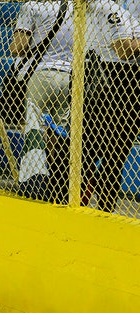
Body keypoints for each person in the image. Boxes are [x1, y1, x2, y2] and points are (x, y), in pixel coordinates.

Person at [9, 1, 74, 204]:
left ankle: (34, 180)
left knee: (35, 127)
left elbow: (18, 47)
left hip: (41, 74)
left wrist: (13, 41)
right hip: (68, 76)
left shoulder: (32, 6)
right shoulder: (75, 6)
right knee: (59, 132)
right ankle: (57, 184)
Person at [81, 0, 140, 212]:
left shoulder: (88, 8)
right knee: (114, 155)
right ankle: (104, 207)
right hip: (120, 78)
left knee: (96, 150)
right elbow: (123, 49)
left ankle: (86, 201)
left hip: (103, 76)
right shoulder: (109, 8)